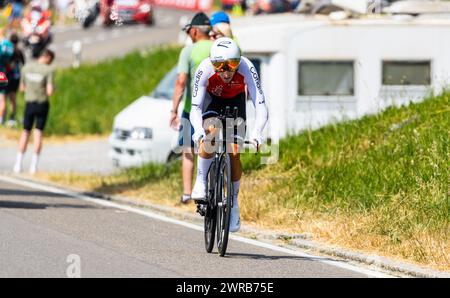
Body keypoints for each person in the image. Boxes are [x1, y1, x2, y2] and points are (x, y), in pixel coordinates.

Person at [190, 37, 269, 232]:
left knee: (234, 152)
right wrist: (199, 130)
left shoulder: (247, 67)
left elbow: (260, 104)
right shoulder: (205, 68)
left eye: (231, 64)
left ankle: (233, 203)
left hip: (236, 103)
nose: (225, 71)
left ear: (239, 62)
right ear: (212, 63)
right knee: (213, 131)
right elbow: (195, 107)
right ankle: (200, 182)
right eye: (219, 65)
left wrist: (258, 132)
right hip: (212, 102)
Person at [170, 12, 214, 204]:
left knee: (188, 150)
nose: (189, 35)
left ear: (195, 31)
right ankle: (211, 186)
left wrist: (174, 110)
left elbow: (181, 82)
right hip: (215, 107)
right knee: (213, 147)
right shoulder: (217, 47)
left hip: (192, 108)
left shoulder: (188, 51)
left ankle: (188, 193)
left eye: (189, 31)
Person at [13, 49, 55, 174]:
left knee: (25, 132)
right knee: (38, 134)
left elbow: (21, 88)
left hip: (29, 103)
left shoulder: (26, 68)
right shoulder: (48, 70)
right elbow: (49, 91)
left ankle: (18, 164)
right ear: (47, 57)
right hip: (42, 104)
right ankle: (33, 166)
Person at [5, 33, 25, 128]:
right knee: (13, 99)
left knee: (2, 98)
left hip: (5, 76)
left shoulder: (6, 51)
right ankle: (11, 119)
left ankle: (2, 119)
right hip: (16, 77)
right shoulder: (19, 51)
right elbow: (24, 64)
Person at [0, 28, 14, 125]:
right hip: (4, 73)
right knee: (2, 97)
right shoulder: (10, 45)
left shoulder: (1, 44)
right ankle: (2, 118)